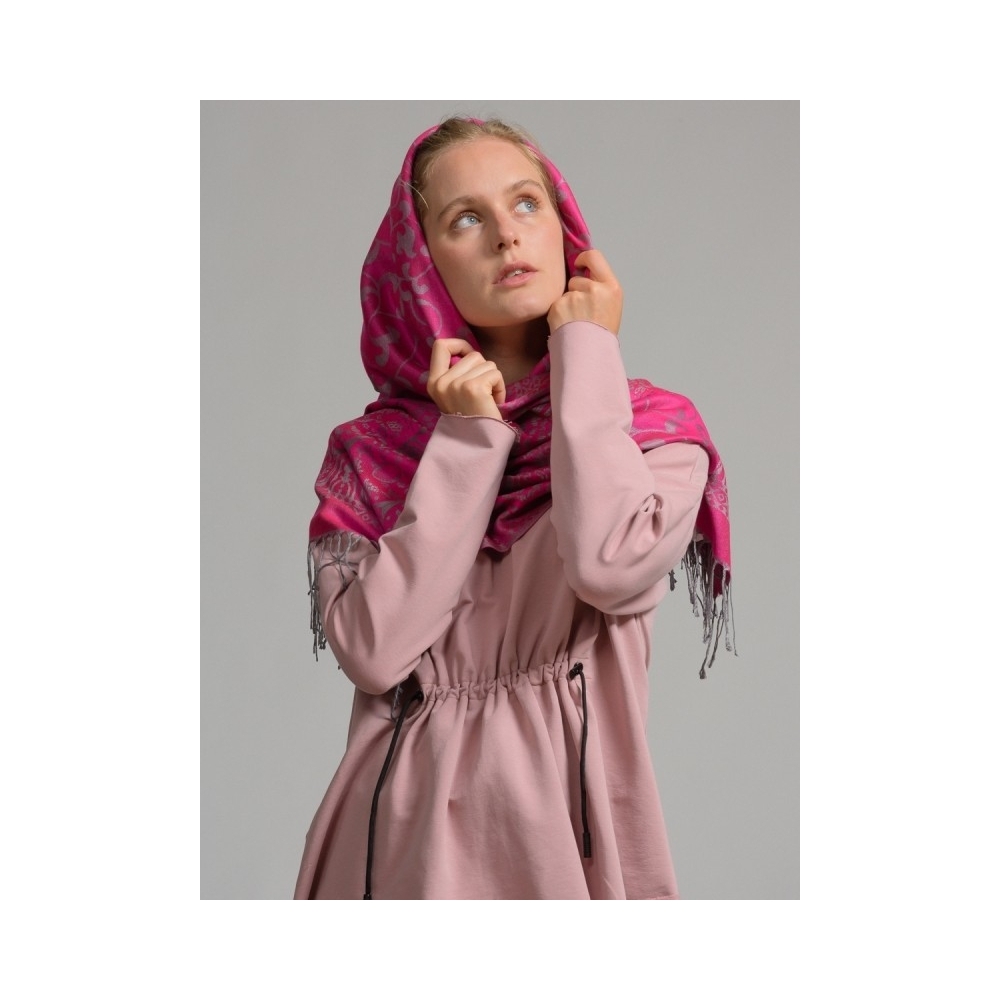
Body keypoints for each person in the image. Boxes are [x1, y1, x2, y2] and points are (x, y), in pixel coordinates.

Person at [295, 116, 733, 900]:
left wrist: (587, 352)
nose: (506, 234)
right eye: (466, 219)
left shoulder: (654, 433)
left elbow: (609, 562)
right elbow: (376, 652)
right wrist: (468, 441)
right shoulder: (371, 458)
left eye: (526, 203)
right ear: (421, 266)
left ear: (565, 229)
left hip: (569, 845)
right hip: (395, 852)